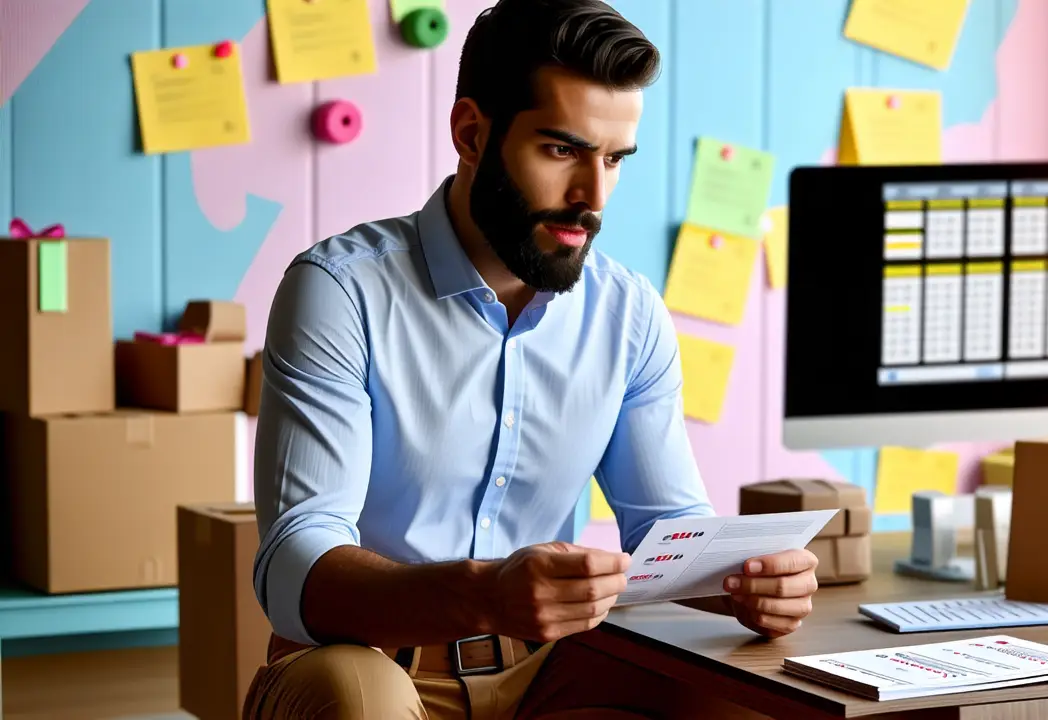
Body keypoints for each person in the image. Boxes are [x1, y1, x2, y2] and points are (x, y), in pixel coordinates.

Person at [243, 1, 820, 718]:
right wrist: (483, 593)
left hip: (549, 672)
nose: (592, 197)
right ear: (471, 133)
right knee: (357, 696)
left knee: (749, 696)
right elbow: (296, 566)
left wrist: (745, 581)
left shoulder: (629, 313)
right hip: (366, 668)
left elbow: (670, 534)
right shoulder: (340, 291)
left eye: (612, 160)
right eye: (561, 151)